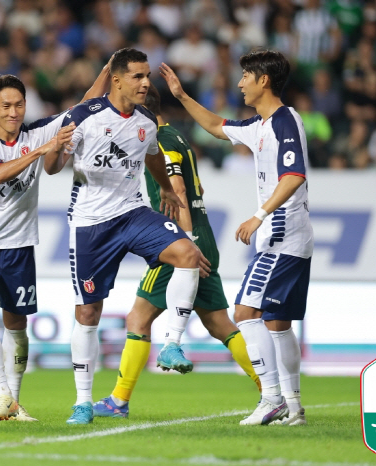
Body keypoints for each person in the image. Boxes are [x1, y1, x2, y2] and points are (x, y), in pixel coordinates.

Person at [45, 48, 208, 425]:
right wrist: (54, 148)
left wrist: (166, 188)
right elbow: (53, 168)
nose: (146, 83)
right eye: (137, 76)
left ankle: (171, 346)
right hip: (90, 224)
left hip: (132, 213)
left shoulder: (146, 120)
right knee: (88, 312)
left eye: (147, 75)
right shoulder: (84, 116)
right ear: (116, 80)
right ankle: (83, 402)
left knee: (187, 253)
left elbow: (150, 154)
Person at [160, 49, 313, 426]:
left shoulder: (284, 122)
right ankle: (292, 407)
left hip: (281, 235)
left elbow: (294, 176)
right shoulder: (260, 125)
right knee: (277, 323)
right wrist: (181, 96)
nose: (240, 82)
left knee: (245, 313)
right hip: (290, 236)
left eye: (246, 76)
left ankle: (272, 398)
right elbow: (216, 125)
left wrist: (259, 216)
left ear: (264, 80)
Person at [92, 84, 261, 419]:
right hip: (201, 236)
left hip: (180, 241)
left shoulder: (162, 143)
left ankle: (119, 401)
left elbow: (180, 190)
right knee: (218, 323)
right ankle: (270, 390)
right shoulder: (178, 138)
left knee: (138, 317)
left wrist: (186, 247)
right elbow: (196, 185)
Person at [0, 67, 112, 422]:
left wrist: (108, 70)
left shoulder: (39, 130)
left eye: (18, 105)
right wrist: (41, 150)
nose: (13, 113)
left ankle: (14, 400)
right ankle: (2, 394)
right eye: (5, 106)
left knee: (17, 325)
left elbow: (85, 105)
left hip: (20, 247)